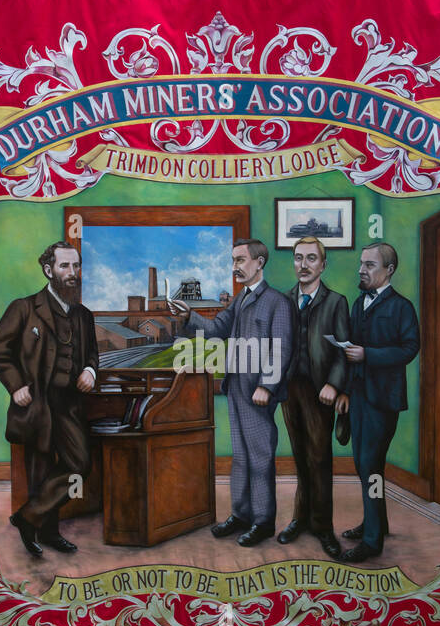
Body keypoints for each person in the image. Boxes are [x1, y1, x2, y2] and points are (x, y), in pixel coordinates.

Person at [169, 239, 293, 546]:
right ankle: (241, 515)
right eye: (233, 261)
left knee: (260, 456)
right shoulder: (240, 300)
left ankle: (263, 521)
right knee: (241, 456)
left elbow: (282, 348)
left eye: (240, 260)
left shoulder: (278, 302)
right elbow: (215, 330)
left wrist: (267, 385)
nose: (235, 266)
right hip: (237, 388)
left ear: (259, 263)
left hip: (258, 392)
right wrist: (187, 317)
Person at [0, 242, 98, 559]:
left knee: (79, 466)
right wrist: (16, 384)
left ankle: (26, 518)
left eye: (76, 266)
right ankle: (46, 533)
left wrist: (90, 370)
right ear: (49, 270)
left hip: (70, 405)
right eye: (65, 267)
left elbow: (91, 355)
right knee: (40, 472)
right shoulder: (24, 308)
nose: (72, 273)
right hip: (36, 405)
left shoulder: (83, 316)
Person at [341, 242, 420, 563]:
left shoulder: (402, 307)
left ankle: (372, 540)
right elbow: (350, 353)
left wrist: (368, 354)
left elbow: (410, 348)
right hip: (359, 397)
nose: (362, 269)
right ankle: (378, 522)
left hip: (382, 400)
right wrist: (345, 392)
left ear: (389, 270)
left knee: (370, 467)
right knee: (363, 465)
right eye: (361, 264)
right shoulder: (359, 303)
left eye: (370, 265)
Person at [278, 236, 350, 559]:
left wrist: (334, 385)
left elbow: (343, 352)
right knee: (300, 457)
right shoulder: (284, 300)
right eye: (298, 258)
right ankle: (300, 519)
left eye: (310, 259)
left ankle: (323, 527)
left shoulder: (336, 302)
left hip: (320, 391)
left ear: (323, 264)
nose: (303, 265)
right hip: (289, 389)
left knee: (320, 459)